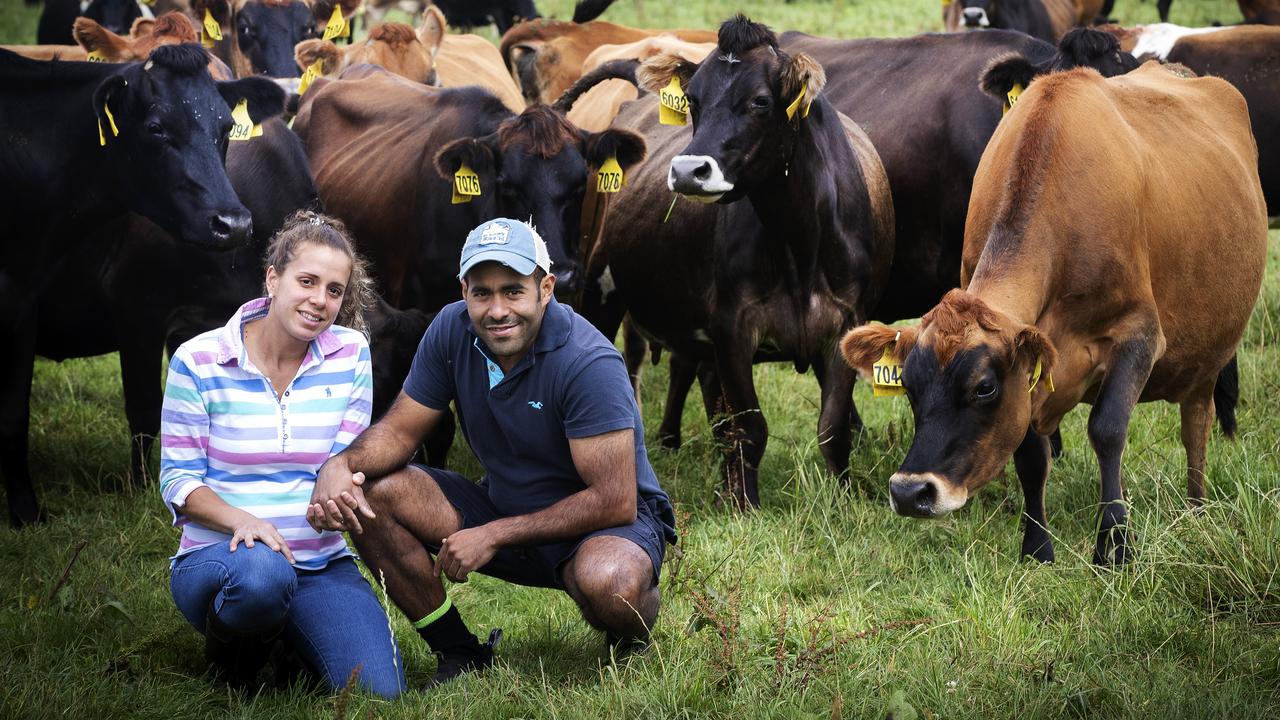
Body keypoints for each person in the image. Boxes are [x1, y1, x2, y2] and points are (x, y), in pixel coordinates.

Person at [307, 218, 677, 687]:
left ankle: (632, 631)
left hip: (603, 524)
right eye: (482, 292)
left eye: (513, 291)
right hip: (504, 503)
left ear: (545, 288)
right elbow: (400, 433)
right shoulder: (450, 330)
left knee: (611, 586)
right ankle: (459, 652)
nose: (497, 309)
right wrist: (340, 465)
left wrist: (495, 535)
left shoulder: (589, 361)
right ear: (464, 291)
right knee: (372, 494)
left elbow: (613, 498)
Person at [159, 211, 405, 697]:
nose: (320, 301)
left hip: (319, 562)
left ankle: (288, 637)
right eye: (307, 281)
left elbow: (342, 460)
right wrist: (242, 522)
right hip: (224, 560)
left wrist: (338, 495)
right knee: (261, 575)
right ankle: (234, 663)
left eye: (334, 290)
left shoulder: (352, 353)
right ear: (273, 278)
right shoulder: (198, 360)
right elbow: (178, 483)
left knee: (379, 692)